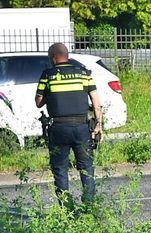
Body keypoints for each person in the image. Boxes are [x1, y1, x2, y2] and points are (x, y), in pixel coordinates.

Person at [36, 42, 102, 206]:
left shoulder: (48, 75)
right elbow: (96, 101)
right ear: (67, 56)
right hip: (81, 127)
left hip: (58, 129)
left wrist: (50, 94)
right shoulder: (83, 73)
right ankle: (89, 204)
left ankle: (67, 208)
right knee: (86, 167)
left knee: (60, 169)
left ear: (53, 57)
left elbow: (38, 102)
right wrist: (98, 125)